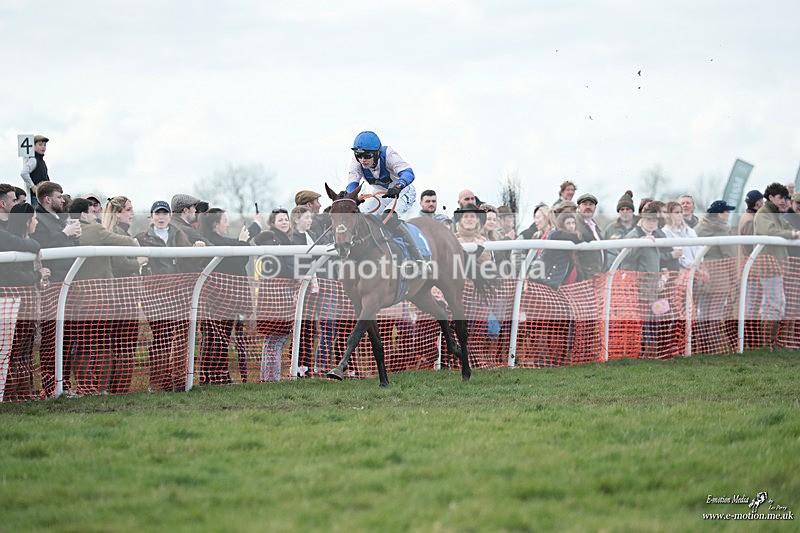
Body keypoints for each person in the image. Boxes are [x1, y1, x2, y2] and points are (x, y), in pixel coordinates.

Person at [135, 201, 199, 391]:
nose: (161, 217)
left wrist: (198, 248)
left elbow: (189, 262)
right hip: (153, 294)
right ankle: (157, 382)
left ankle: (177, 380)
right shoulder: (141, 238)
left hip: (178, 293)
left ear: (170, 216)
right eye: (157, 214)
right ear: (151, 216)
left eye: (164, 214)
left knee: (178, 338)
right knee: (161, 337)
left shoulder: (180, 235)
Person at [345, 131, 425, 275]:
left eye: (367, 156)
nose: (363, 160)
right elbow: (352, 183)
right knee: (362, 219)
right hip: (381, 194)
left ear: (377, 153)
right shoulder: (356, 162)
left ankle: (418, 258)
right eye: (359, 155)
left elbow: (408, 173)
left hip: (403, 191)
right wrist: (351, 196)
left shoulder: (388, 154)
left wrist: (399, 185)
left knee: (389, 218)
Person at [30, 182, 81, 396]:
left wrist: (75, 238)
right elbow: (41, 247)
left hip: (68, 285)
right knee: (52, 337)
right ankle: (51, 386)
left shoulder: (60, 219)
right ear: (47, 199)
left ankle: (64, 384)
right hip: (52, 286)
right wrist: (65, 234)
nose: (63, 200)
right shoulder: (38, 220)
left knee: (68, 337)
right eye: (59, 196)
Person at [0, 203, 49, 401]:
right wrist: (37, 275)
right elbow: (11, 277)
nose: (37, 222)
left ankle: (23, 391)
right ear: (27, 221)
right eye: (34, 219)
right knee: (15, 350)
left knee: (24, 350)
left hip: (24, 305)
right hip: (15, 305)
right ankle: (11, 393)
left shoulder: (21, 241)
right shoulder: (11, 242)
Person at [753, 183, 800, 351]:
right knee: (774, 304)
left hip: (776, 266)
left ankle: (770, 344)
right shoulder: (763, 214)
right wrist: (792, 234)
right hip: (768, 266)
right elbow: (770, 231)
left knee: (775, 304)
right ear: (771, 197)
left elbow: (789, 228)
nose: (783, 201)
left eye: (785, 198)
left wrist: (794, 232)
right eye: (780, 198)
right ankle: (767, 343)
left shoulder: (776, 214)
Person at [253, 208, 297, 380]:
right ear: (272, 223)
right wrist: (296, 274)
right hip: (274, 296)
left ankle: (268, 377)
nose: (284, 222)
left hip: (281, 293)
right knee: (275, 338)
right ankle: (271, 378)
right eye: (280, 220)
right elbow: (277, 267)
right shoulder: (272, 240)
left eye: (286, 219)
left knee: (274, 339)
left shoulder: (285, 240)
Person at [693, 200, 738, 352]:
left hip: (702, 275)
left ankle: (702, 345)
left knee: (703, 311)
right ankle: (714, 346)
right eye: (727, 211)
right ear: (719, 214)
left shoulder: (698, 228)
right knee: (715, 312)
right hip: (720, 276)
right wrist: (735, 278)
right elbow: (730, 256)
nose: (729, 214)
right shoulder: (721, 231)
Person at [662, 200, 700, 271]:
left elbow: (699, 248)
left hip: (697, 269)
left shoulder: (690, 231)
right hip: (681, 271)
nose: (680, 215)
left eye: (681, 212)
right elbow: (677, 252)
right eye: (676, 212)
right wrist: (690, 265)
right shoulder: (665, 232)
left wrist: (698, 263)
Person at [574, 193, 604, 282]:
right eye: (585, 204)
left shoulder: (595, 227)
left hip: (597, 277)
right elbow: (574, 255)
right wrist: (581, 277)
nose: (588, 207)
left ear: (595, 207)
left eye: (591, 204)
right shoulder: (575, 226)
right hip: (584, 280)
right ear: (578, 207)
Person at [603, 191, 637, 269]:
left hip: (634, 268)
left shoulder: (640, 227)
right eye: (622, 209)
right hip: (614, 269)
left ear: (632, 211)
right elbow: (604, 250)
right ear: (618, 211)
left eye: (628, 209)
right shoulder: (610, 228)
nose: (625, 212)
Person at [20, 135, 50, 207]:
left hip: (43, 197)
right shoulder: (33, 160)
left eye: (44, 145)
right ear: (33, 146)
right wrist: (33, 186)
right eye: (40, 145)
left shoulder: (42, 161)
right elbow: (24, 173)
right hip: (36, 198)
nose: (43, 147)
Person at [738, 189, 764, 257]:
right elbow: (750, 246)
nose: (763, 202)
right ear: (757, 203)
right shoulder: (750, 221)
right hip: (750, 261)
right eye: (762, 200)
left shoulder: (746, 216)